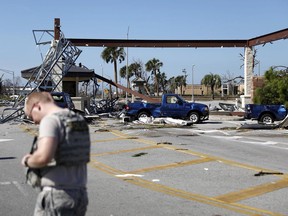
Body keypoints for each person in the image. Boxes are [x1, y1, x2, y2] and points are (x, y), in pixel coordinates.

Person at [21, 91, 91, 216]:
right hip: (80, 194)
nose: (34, 121)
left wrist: (27, 160)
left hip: (57, 196)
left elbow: (44, 157)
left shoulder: (51, 121)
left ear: (37, 106)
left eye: (31, 116)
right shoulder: (78, 119)